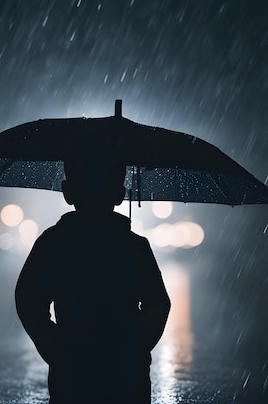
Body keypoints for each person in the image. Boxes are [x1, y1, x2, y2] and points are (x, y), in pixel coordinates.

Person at [15, 153, 171, 404]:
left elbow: (27, 299)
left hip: (72, 370)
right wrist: (136, 346)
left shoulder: (53, 243)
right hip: (127, 374)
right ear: (121, 195)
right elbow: (158, 304)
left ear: (67, 192)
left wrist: (55, 347)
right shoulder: (135, 246)